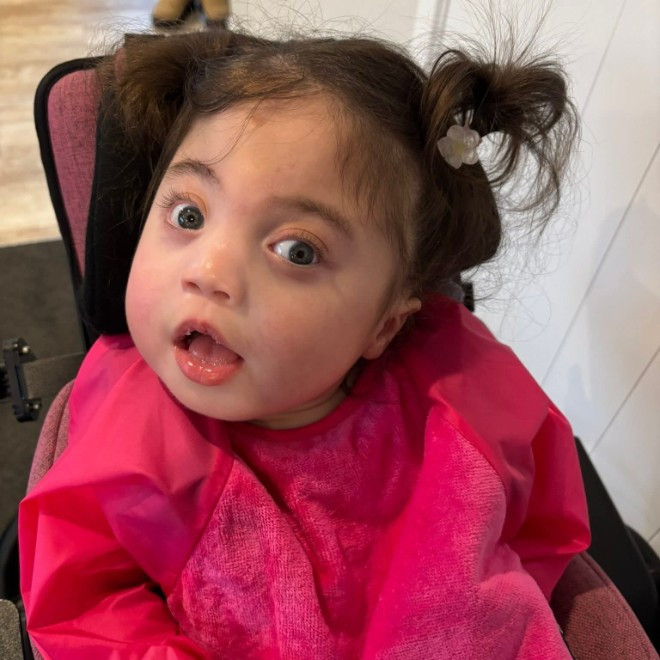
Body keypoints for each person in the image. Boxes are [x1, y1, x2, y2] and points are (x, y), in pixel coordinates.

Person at [18, 26, 590, 658]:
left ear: (384, 325)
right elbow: (82, 605)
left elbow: (541, 530)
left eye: (297, 251)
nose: (208, 272)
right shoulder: (129, 424)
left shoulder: (461, 397)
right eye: (189, 215)